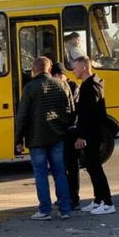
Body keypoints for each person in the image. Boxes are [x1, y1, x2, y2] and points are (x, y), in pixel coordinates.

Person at [14, 56, 75, 221]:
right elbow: (70, 110)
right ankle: (65, 209)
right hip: (57, 137)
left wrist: (18, 140)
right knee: (60, 173)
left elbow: (23, 116)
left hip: (36, 138)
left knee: (41, 175)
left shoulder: (30, 88)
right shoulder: (62, 85)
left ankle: (45, 210)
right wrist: (63, 127)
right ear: (49, 69)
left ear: (34, 70)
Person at [71, 55, 115, 215]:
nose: (73, 70)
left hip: (92, 134)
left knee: (95, 168)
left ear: (84, 68)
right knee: (91, 167)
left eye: (75, 67)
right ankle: (98, 200)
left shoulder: (89, 87)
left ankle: (108, 202)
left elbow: (89, 115)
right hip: (94, 133)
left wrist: (82, 136)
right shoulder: (93, 83)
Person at [50, 62, 81, 211]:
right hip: (63, 132)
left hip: (72, 133)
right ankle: (66, 196)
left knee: (72, 167)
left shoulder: (73, 87)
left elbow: (73, 112)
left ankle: (73, 198)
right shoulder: (63, 86)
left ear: (58, 75)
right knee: (62, 167)